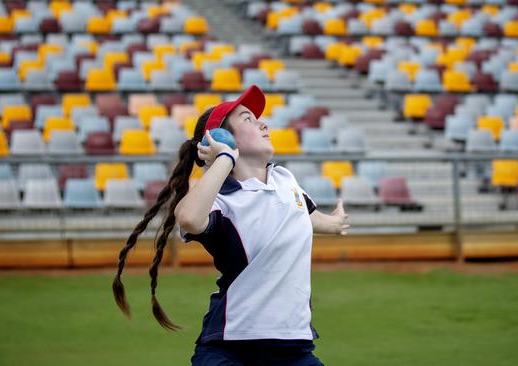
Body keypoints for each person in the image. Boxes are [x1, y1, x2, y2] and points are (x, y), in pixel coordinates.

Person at [113, 85, 349, 365]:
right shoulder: (221, 202)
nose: (263, 123)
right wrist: (225, 158)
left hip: (295, 349)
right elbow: (188, 218)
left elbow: (304, 217)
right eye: (248, 119)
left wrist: (335, 223)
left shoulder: (286, 180)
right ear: (222, 138)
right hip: (231, 349)